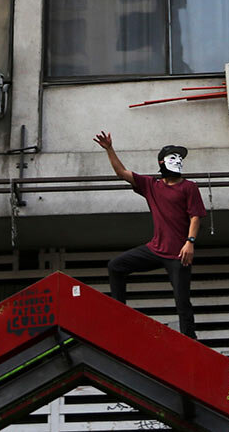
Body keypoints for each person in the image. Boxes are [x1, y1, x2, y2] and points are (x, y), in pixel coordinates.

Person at [94, 131, 207, 339]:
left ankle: (191, 342)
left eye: (179, 157)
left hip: (178, 255)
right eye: (173, 156)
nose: (178, 160)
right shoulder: (151, 185)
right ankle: (119, 313)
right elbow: (122, 172)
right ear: (162, 162)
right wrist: (109, 149)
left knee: (182, 301)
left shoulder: (189, 187)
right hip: (155, 249)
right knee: (116, 266)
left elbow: (195, 217)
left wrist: (190, 242)